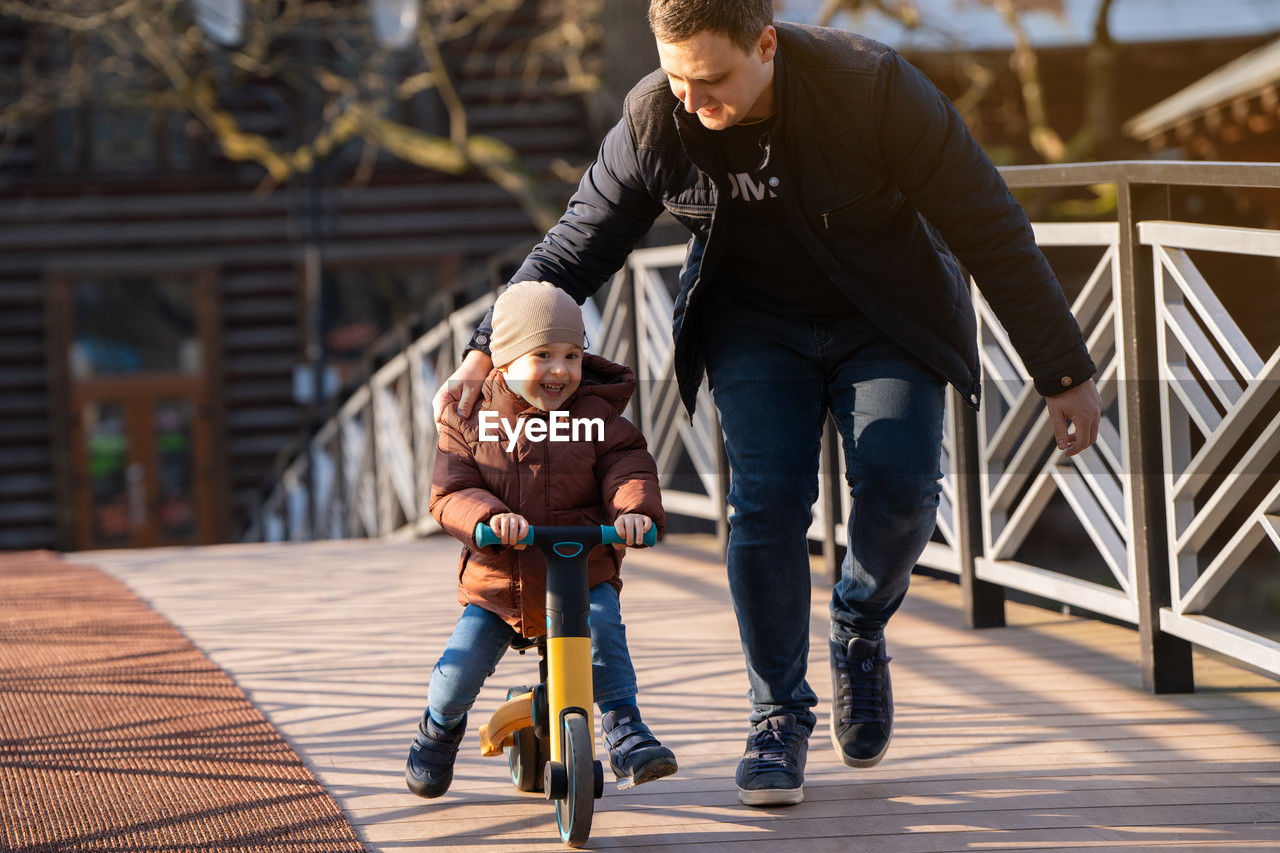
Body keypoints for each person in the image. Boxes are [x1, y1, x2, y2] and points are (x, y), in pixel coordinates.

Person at [434, 1, 1102, 806]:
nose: (690, 100)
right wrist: (485, 347)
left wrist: (1062, 369)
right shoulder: (656, 116)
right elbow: (578, 242)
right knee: (766, 505)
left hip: (886, 315)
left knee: (900, 486)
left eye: (710, 80)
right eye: (676, 77)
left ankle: (857, 623)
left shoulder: (871, 86)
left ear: (767, 43)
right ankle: (778, 716)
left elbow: (988, 223)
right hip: (753, 327)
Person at [406, 281, 678, 799]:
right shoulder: (471, 421)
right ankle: (438, 729)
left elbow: (628, 467)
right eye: (543, 355)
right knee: (459, 668)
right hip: (499, 581)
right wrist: (490, 517)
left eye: (573, 355)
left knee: (604, 631)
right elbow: (451, 490)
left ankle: (624, 729)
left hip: (583, 570)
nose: (561, 370)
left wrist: (634, 511)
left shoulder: (598, 417)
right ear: (503, 361)